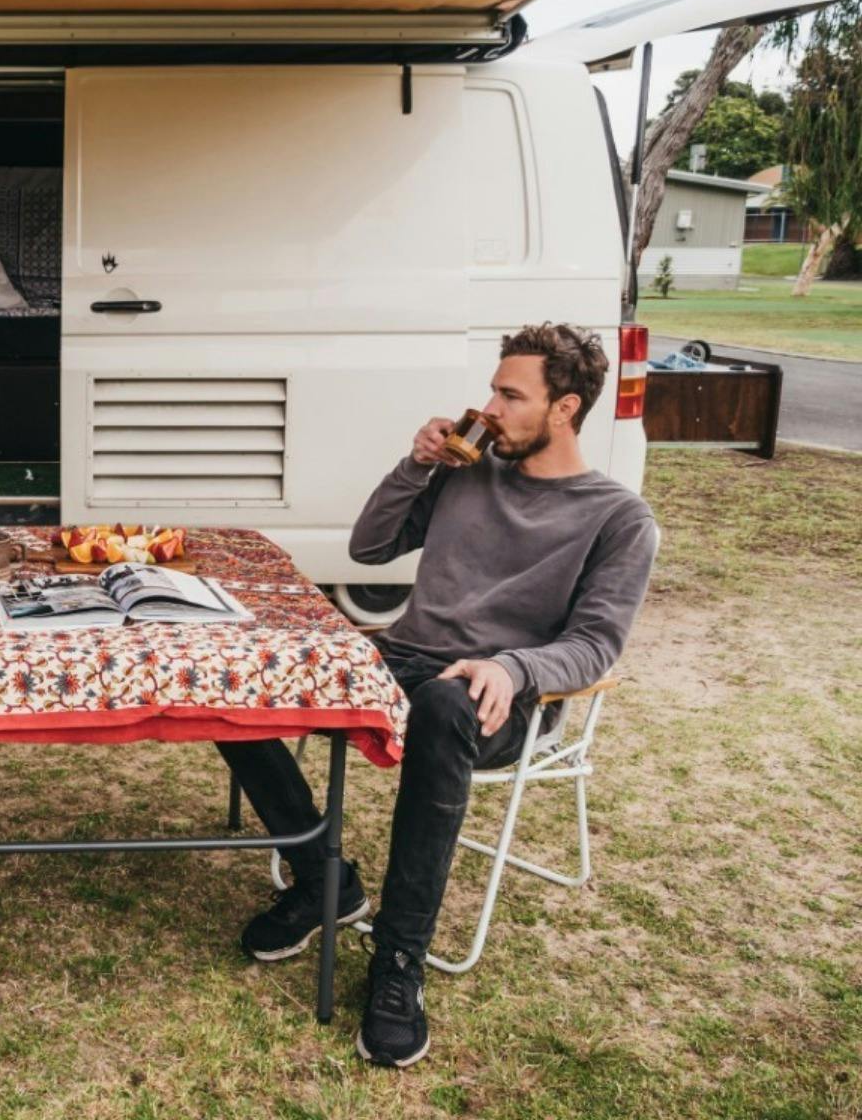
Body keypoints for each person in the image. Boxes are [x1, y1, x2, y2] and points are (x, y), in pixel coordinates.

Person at [219, 322, 658, 1067]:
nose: (489, 407)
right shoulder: (466, 470)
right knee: (241, 679)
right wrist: (415, 466)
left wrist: (512, 669)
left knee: (447, 706)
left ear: (565, 408)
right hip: (406, 658)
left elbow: (595, 644)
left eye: (510, 394)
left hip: (500, 700)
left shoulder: (617, 517)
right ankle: (327, 882)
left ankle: (399, 959)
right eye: (493, 388)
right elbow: (369, 547)